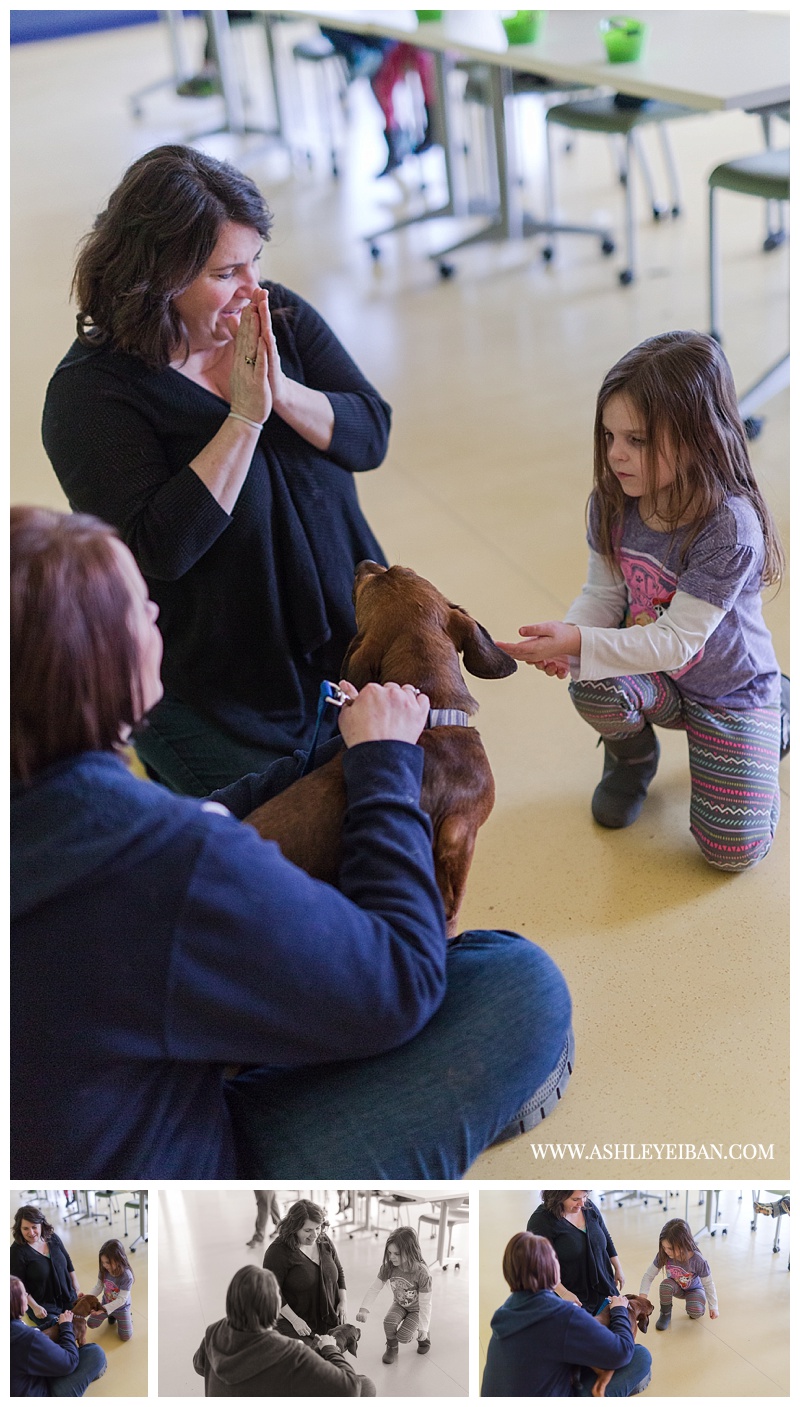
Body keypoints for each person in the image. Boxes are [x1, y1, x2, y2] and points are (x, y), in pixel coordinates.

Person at [11, 506, 574, 1180]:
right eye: (142, 611)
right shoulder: (170, 865)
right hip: (179, 1176)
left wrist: (353, 746)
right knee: (517, 985)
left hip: (84, 1119)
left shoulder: (64, 805)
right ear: (94, 667)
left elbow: (197, 823)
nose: (158, 619)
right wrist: (388, 766)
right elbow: (401, 982)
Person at [42, 142, 391, 796]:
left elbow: (370, 434)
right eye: (226, 272)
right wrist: (244, 418)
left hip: (344, 656)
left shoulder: (273, 316)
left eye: (254, 262)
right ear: (158, 277)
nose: (251, 288)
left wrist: (282, 393)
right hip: (215, 698)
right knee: (278, 862)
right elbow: (162, 548)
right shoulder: (90, 398)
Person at [497, 331, 789, 870]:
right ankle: (632, 758)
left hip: (727, 690)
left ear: (699, 436)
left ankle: (777, 709)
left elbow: (677, 642)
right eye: (609, 435)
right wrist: (570, 640)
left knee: (731, 852)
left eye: (637, 440)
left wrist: (583, 642)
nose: (615, 455)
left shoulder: (730, 528)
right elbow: (603, 594)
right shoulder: (613, 499)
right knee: (591, 677)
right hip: (657, 679)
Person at [481, 1232, 651, 1397]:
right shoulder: (561, 1314)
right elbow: (622, 1352)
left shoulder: (505, 1312)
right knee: (640, 1356)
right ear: (550, 1268)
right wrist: (619, 1310)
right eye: (556, 1259)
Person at [193, 1264, 375, 1396]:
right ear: (274, 1308)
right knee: (365, 1386)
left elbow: (199, 1366)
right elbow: (349, 1389)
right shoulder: (289, 1351)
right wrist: (330, 1349)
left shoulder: (213, 1331)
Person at [319, 26, 436, 175]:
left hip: (401, 39)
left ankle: (430, 127)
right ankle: (395, 141)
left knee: (388, 74)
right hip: (381, 37)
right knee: (381, 80)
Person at [526, 1192, 626, 1313]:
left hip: (604, 1285)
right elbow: (539, 1266)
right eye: (575, 1199)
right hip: (572, 1295)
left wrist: (618, 1267)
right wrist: (564, 1293)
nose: (582, 1203)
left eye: (585, 1196)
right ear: (558, 1197)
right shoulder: (541, 1221)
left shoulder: (588, 1207)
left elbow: (605, 1235)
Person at [10, 1277, 108, 1399]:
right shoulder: (29, 1338)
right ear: (15, 1303)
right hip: (41, 1392)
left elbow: (32, 1332)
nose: (26, 1294)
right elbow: (70, 1362)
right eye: (23, 1293)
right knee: (95, 1353)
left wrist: (55, 1322)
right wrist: (66, 1326)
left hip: (25, 1380)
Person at [262, 1201, 346, 1339]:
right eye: (307, 1230)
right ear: (293, 1228)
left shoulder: (323, 1240)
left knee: (333, 1354)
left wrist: (343, 1302)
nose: (315, 1235)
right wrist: (295, 1320)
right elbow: (272, 1292)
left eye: (318, 1228)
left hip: (328, 1319)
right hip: (297, 1322)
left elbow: (339, 1272)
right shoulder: (277, 1252)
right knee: (311, 1358)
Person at [356, 1226, 433, 1364]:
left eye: (397, 1254)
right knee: (388, 1322)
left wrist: (424, 1328)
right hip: (400, 1304)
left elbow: (426, 1303)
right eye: (390, 1253)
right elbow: (375, 1288)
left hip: (417, 1309)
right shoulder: (389, 1267)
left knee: (404, 1337)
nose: (391, 1257)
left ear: (410, 1252)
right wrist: (364, 1309)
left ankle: (424, 1337)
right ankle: (392, 1347)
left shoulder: (422, 1273)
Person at [639, 1218, 719, 1331]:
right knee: (665, 1285)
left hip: (695, 1289)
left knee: (695, 1312)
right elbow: (649, 1275)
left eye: (670, 1248)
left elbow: (708, 1283)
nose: (666, 1251)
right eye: (664, 1247)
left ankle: (694, 1303)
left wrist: (713, 1306)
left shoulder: (698, 1260)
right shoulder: (664, 1255)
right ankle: (665, 1314)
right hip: (677, 1288)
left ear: (683, 1244)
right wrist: (642, 1297)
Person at [9, 1208, 80, 1330]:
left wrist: (75, 1282)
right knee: (59, 1330)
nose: (31, 1232)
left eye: (34, 1227)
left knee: (79, 1320)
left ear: (41, 1224)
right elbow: (19, 1285)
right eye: (25, 1228)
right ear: (19, 1229)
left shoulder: (52, 1237)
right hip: (42, 1304)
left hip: (66, 1294)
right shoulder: (17, 1252)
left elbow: (66, 1259)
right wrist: (35, 1306)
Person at [85, 1239, 135, 1342]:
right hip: (106, 1303)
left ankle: (125, 1317)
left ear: (119, 1259)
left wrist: (103, 1309)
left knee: (125, 1337)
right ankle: (111, 1315)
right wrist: (86, 1298)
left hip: (121, 1308)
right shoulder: (104, 1269)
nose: (105, 1265)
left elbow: (121, 1300)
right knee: (91, 1323)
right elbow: (98, 1287)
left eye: (107, 1262)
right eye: (102, 1262)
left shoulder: (126, 1276)